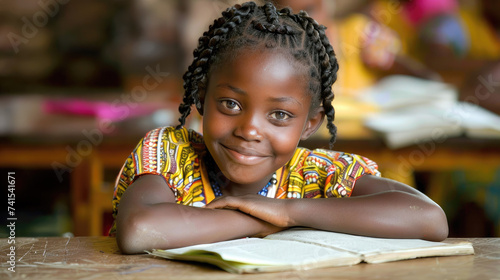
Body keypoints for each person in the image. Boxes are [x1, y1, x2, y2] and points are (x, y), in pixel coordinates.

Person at [110, 1, 448, 254]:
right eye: (231, 105)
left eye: (280, 115)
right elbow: (139, 230)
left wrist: (287, 210)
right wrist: (262, 221)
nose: (250, 130)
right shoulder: (171, 153)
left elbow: (429, 218)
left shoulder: (316, 174)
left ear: (309, 123)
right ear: (201, 98)